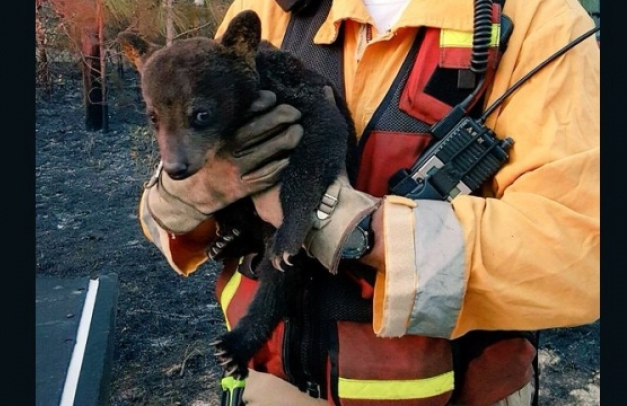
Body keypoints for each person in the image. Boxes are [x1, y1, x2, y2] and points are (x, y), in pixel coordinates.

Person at [137, 0, 600, 405]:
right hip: (274, 382)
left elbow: (584, 258)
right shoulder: (273, 10)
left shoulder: (539, 20)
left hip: (450, 393)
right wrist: (189, 194)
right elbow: (177, 196)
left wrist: (351, 228)